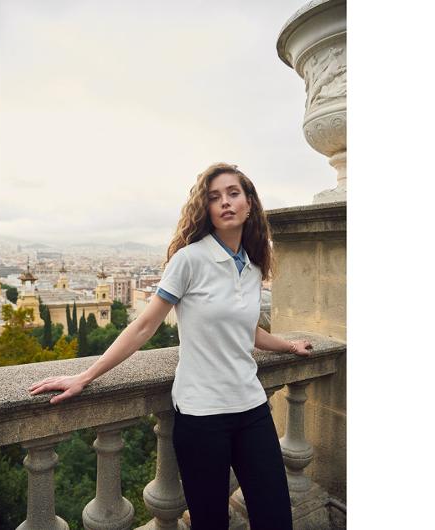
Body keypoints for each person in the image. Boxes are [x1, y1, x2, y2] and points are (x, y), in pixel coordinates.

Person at [29, 162, 313, 530]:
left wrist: (288, 346)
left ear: (249, 204)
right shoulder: (189, 260)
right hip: (202, 415)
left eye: (233, 193)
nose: (225, 202)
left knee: (275, 517)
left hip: (252, 407)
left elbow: (251, 333)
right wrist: (85, 376)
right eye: (214, 197)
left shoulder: (253, 266)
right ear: (206, 209)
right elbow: (143, 326)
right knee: (210, 522)